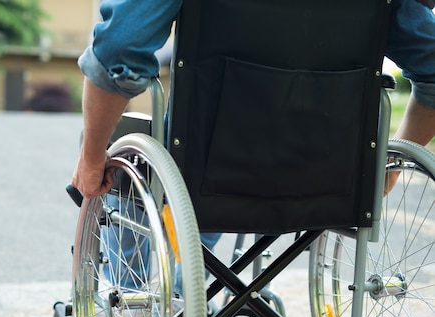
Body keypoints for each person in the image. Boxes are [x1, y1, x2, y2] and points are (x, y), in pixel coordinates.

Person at [72, 0, 435, 200]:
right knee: (217, 146)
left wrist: (91, 159)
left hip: (211, 167)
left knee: (125, 150)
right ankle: (189, 289)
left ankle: (139, 301)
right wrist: (388, 165)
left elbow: (118, 50)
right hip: (328, 176)